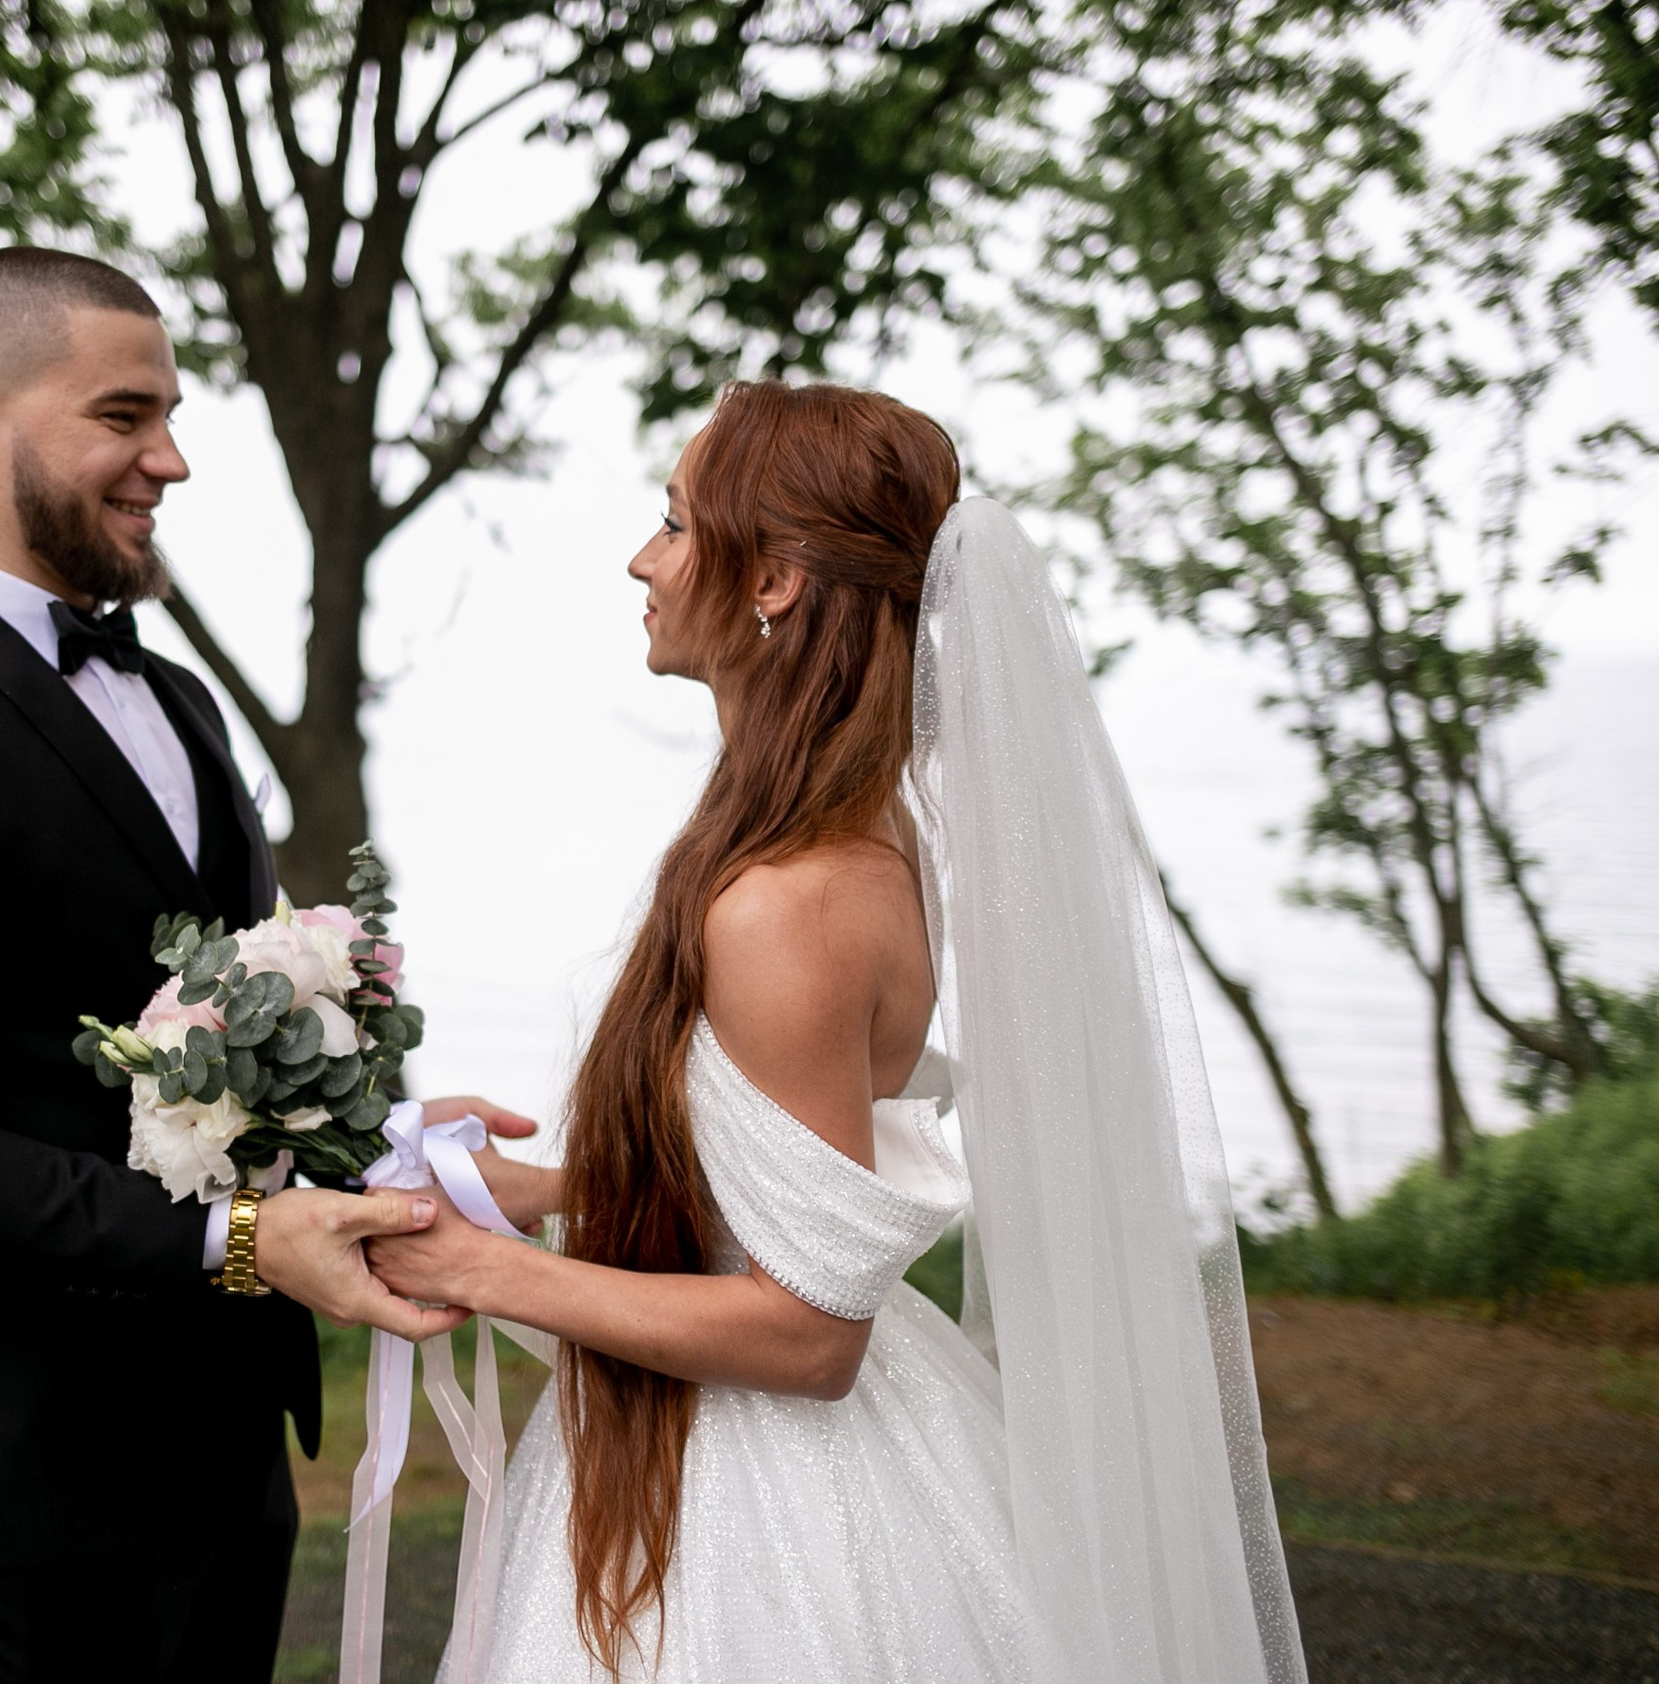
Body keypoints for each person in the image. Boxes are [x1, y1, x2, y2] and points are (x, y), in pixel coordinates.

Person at [378, 382, 1310, 1682]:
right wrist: (535, 1188)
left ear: (771, 581)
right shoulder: (813, 846)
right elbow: (786, 1184)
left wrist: (487, 1273)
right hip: (703, 1446)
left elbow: (809, 1335)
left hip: (774, 1517)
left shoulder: (793, 901)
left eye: (675, 524)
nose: (641, 560)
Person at [0, 246, 529, 1684]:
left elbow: (207, 1057)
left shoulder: (179, 701)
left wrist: (373, 1131)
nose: (169, 457)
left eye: (168, 414)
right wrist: (232, 1245)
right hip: (26, 1479)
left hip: (228, 1457)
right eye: (123, 415)